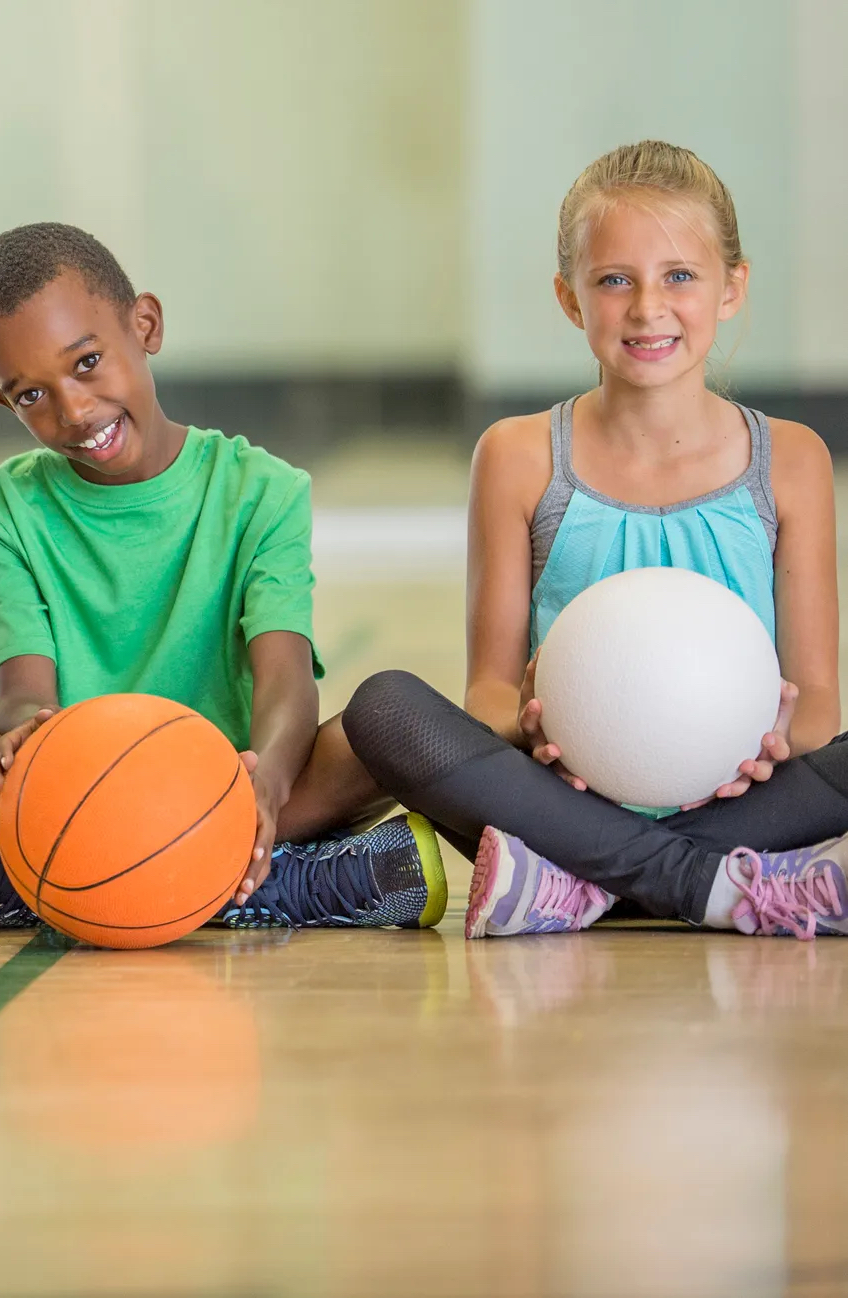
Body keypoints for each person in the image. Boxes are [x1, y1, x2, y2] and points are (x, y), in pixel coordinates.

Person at [346, 140, 845, 940]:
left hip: (731, 803)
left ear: (731, 288)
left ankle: (583, 885)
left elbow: (818, 703)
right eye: (614, 280)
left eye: (678, 276)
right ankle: (706, 886)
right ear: (569, 297)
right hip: (561, 799)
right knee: (384, 709)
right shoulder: (516, 456)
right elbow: (488, 695)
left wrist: (775, 740)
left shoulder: (789, 459)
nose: (647, 308)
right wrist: (532, 728)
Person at [0, 222, 444, 935]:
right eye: (30, 396)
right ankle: (269, 881)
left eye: (87, 362)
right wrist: (23, 737)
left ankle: (49, 884)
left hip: (228, 784)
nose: (73, 410)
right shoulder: (2, 513)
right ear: (3, 399)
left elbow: (284, 679)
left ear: (145, 325)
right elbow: (26, 691)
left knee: (386, 727)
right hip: (84, 790)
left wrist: (263, 786)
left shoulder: (262, 490)